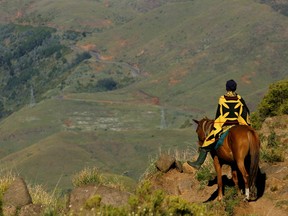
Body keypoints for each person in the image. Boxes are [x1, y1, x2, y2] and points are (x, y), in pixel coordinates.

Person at [187, 79, 251, 169]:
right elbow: (245, 113)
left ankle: (198, 163)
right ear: (235, 88)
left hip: (226, 126)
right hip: (238, 125)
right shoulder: (240, 99)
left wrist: (217, 127)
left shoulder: (222, 99)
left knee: (208, 141)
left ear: (227, 88)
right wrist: (247, 126)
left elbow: (219, 115)